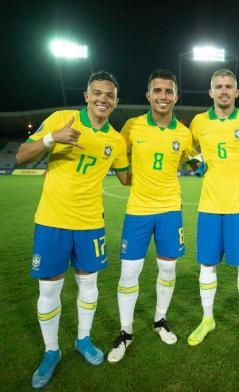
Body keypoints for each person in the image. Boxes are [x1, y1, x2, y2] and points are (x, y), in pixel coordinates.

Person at [15, 71, 130, 388]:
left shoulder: (116, 140)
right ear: (86, 95)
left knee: (89, 285)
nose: (103, 99)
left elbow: (126, 178)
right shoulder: (62, 118)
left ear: (116, 101)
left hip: (91, 223)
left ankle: (83, 339)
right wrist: (53, 138)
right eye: (97, 93)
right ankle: (52, 351)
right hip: (53, 220)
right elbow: (23, 155)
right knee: (49, 289)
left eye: (109, 95)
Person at [107, 69, 201, 363]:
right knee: (129, 274)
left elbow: (195, 160)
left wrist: (199, 163)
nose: (163, 96)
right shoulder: (132, 127)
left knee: (168, 270)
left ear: (176, 96)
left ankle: (160, 320)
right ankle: (125, 332)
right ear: (148, 95)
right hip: (137, 211)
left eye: (168, 91)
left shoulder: (184, 133)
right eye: (157, 91)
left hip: (170, 211)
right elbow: (120, 167)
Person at [187, 68, 239, 353]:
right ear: (211, 92)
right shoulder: (198, 122)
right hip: (209, 206)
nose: (224, 91)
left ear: (237, 91)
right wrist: (196, 164)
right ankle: (207, 319)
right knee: (207, 264)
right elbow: (187, 148)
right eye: (218, 86)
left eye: (229, 86)